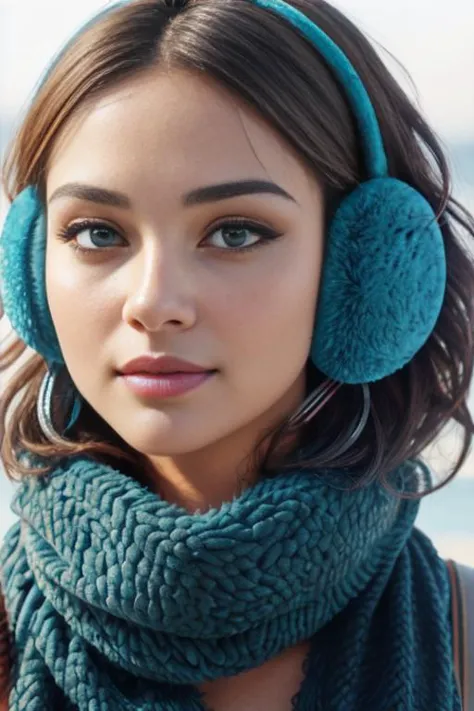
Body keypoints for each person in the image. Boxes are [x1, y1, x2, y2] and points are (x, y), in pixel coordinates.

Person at [0, 0, 473, 709]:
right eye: (98, 233)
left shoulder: (464, 632)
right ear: (32, 272)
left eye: (236, 233)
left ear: (366, 270)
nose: (154, 301)